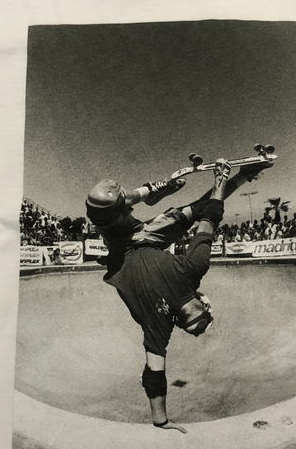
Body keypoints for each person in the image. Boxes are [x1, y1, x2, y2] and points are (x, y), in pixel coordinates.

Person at [86, 156, 272, 432]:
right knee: (191, 207)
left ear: (202, 303)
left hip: (122, 239)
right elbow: (155, 374)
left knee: (101, 199)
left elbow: (211, 215)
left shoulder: (195, 270)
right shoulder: (160, 326)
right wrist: (160, 419)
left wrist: (221, 179)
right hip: (151, 236)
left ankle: (149, 191)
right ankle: (160, 190)